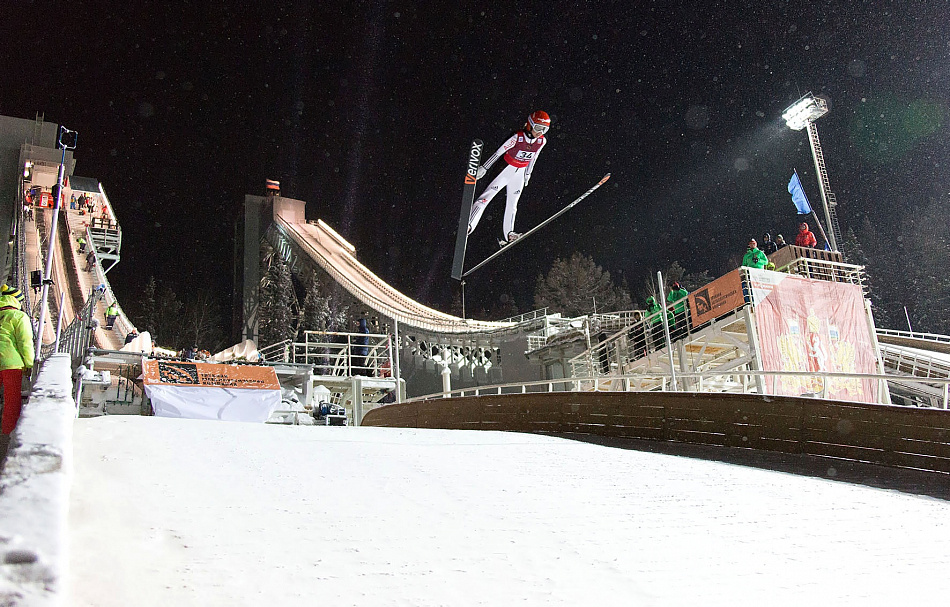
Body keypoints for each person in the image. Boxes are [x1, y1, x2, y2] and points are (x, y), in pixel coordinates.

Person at [468, 110, 550, 247]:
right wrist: (484, 168)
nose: (540, 132)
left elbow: (534, 158)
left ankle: (509, 234)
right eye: (538, 128)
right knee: (485, 198)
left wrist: (528, 174)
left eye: (544, 129)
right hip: (505, 169)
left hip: (520, 173)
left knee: (512, 205)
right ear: (530, 125)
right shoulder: (517, 137)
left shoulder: (542, 141)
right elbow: (499, 152)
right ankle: (469, 224)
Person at [0, 294, 35, 435]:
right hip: (12, 364)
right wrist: (29, 364)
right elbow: (25, 342)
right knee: (11, 400)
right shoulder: (19, 316)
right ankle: (8, 432)